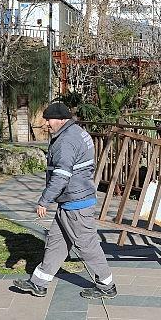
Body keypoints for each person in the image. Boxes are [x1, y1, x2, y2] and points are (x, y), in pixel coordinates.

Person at [13, 102, 117, 299]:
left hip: (76, 205)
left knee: (87, 246)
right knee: (56, 243)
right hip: (71, 201)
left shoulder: (66, 141)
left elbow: (61, 175)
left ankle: (106, 285)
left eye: (49, 120)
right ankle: (39, 283)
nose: (46, 124)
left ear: (61, 120)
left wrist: (44, 200)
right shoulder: (77, 132)